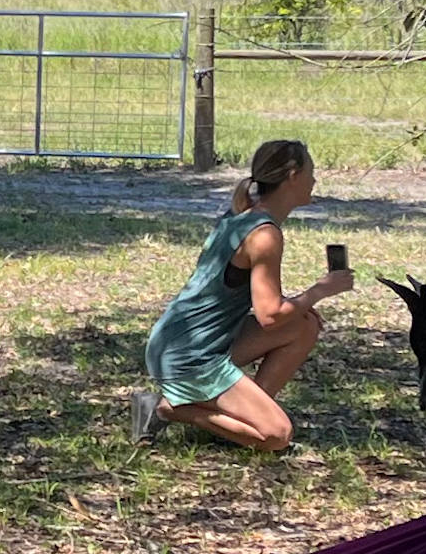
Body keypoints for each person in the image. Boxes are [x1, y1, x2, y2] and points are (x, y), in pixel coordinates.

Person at [134, 136, 354, 452]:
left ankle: (233, 423)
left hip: (174, 343)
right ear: (292, 176)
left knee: (303, 324)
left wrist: (301, 305)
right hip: (190, 357)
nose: (315, 180)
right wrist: (319, 291)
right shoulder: (264, 235)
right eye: (311, 172)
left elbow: (266, 307)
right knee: (277, 435)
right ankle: (167, 409)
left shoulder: (243, 216)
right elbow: (270, 316)